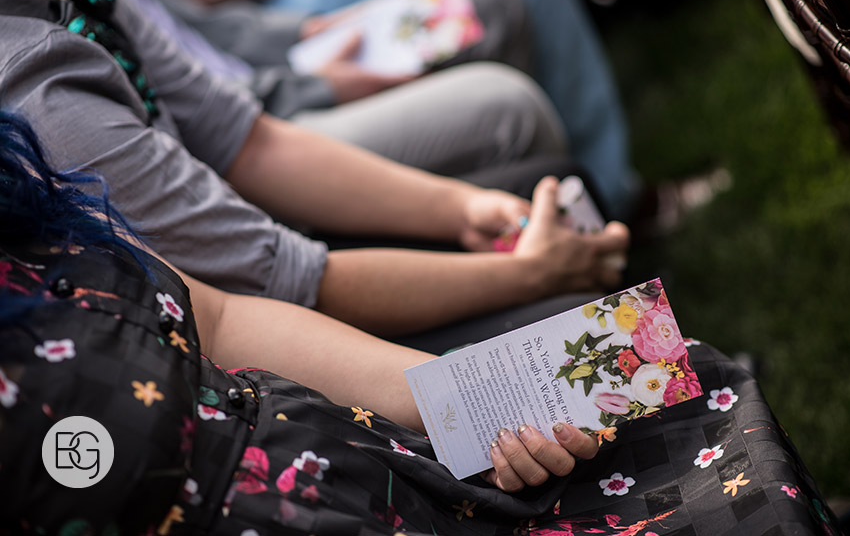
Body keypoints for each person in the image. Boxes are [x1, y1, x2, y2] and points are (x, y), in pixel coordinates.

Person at [0, 110, 840, 535]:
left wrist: (463, 406)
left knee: (678, 387)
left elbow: (215, 317)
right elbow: (284, 262)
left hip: (359, 447)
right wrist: (522, 272)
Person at [0, 0, 629, 345]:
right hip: (240, 364)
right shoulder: (36, 90)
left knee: (546, 194)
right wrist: (530, 275)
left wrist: (462, 208)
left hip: (257, 279)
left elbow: (248, 140)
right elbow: (270, 286)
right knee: (578, 324)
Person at [135, 0, 641, 219]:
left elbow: (186, 25)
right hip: (261, 114)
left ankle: (593, 213)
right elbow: (208, 104)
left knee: (489, 3)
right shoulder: (91, 4)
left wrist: (299, 33)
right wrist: (318, 82)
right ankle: (599, 211)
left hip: (260, 65)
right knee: (510, 109)